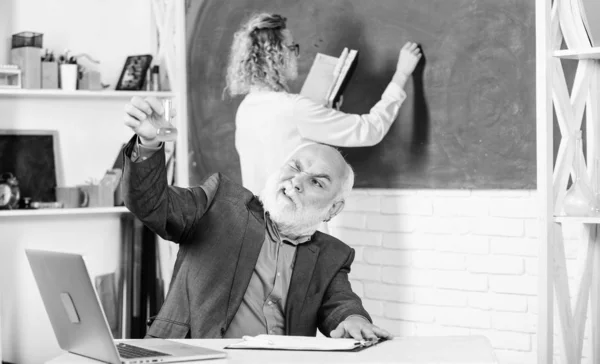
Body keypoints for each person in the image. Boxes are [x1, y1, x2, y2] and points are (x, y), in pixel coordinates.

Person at [121, 96, 393, 341]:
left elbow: (340, 302)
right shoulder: (219, 204)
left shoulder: (332, 254)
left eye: (317, 182)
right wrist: (149, 143)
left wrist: (353, 319)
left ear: (334, 209)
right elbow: (150, 202)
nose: (296, 181)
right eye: (295, 167)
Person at [226, 12, 422, 195]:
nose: (297, 54)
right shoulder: (293, 109)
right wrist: (401, 74)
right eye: (292, 47)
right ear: (276, 55)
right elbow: (369, 130)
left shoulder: (246, 109)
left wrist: (326, 111)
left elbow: (283, 152)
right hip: (295, 224)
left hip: (259, 224)